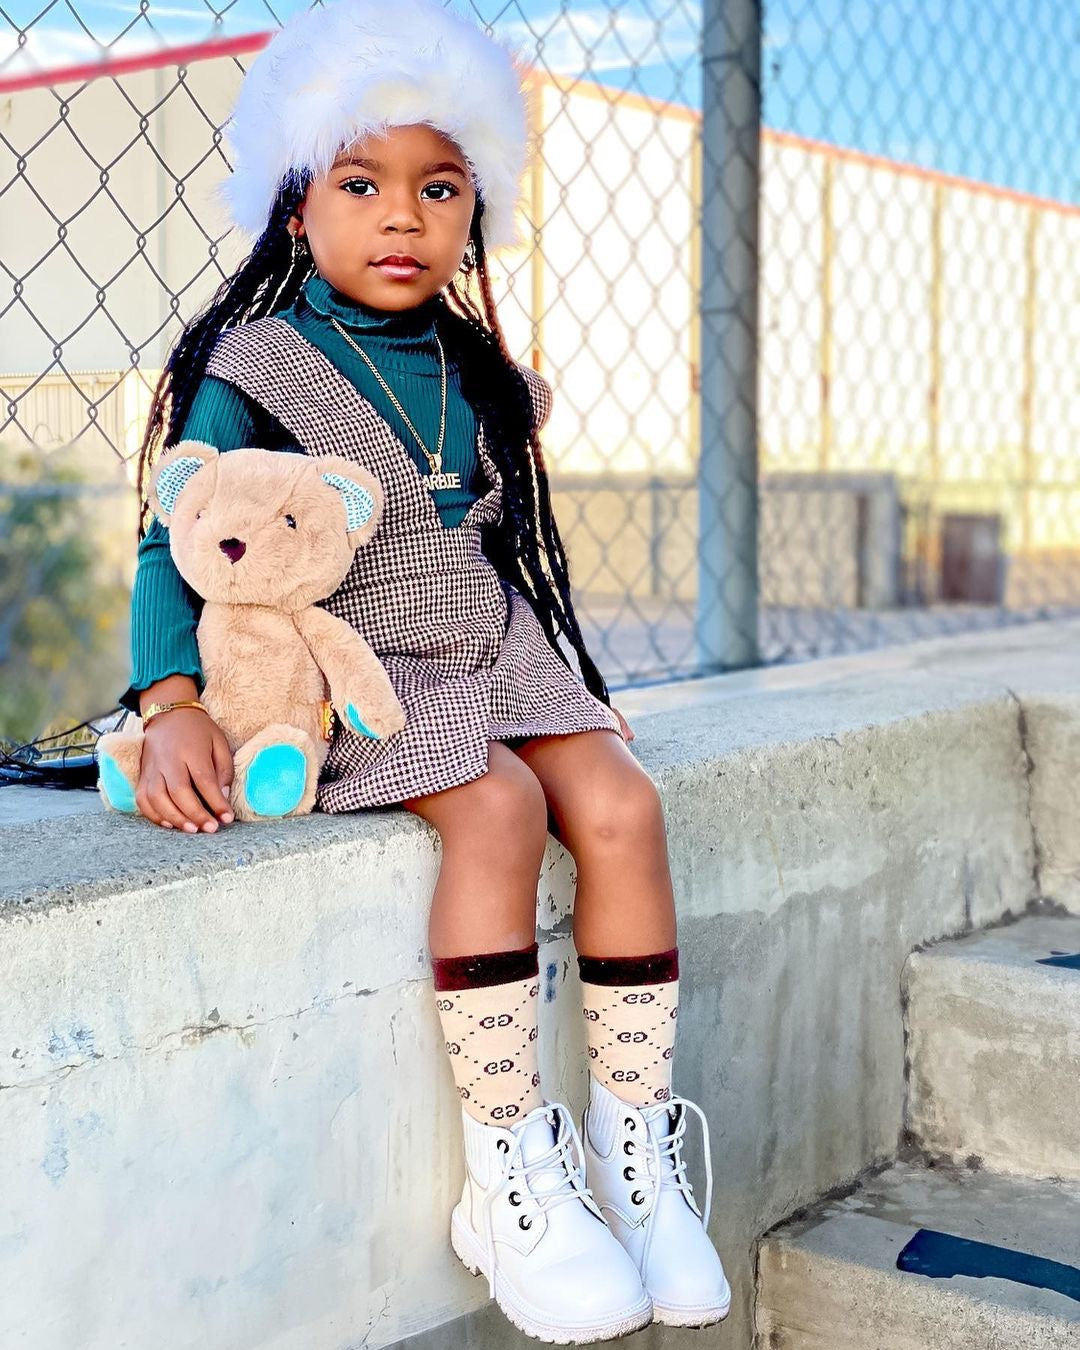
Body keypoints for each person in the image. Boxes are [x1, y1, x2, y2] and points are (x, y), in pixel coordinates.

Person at [119, 0, 730, 1339]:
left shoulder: (477, 370)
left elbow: (508, 550)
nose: (403, 216)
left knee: (621, 799)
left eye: (437, 188)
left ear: (475, 211)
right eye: (363, 183)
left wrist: (571, 676)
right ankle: (507, 1166)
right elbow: (180, 543)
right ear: (298, 209)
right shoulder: (258, 363)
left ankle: (635, 1160)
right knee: (502, 808)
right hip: (364, 669)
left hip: (494, 653)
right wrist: (169, 707)